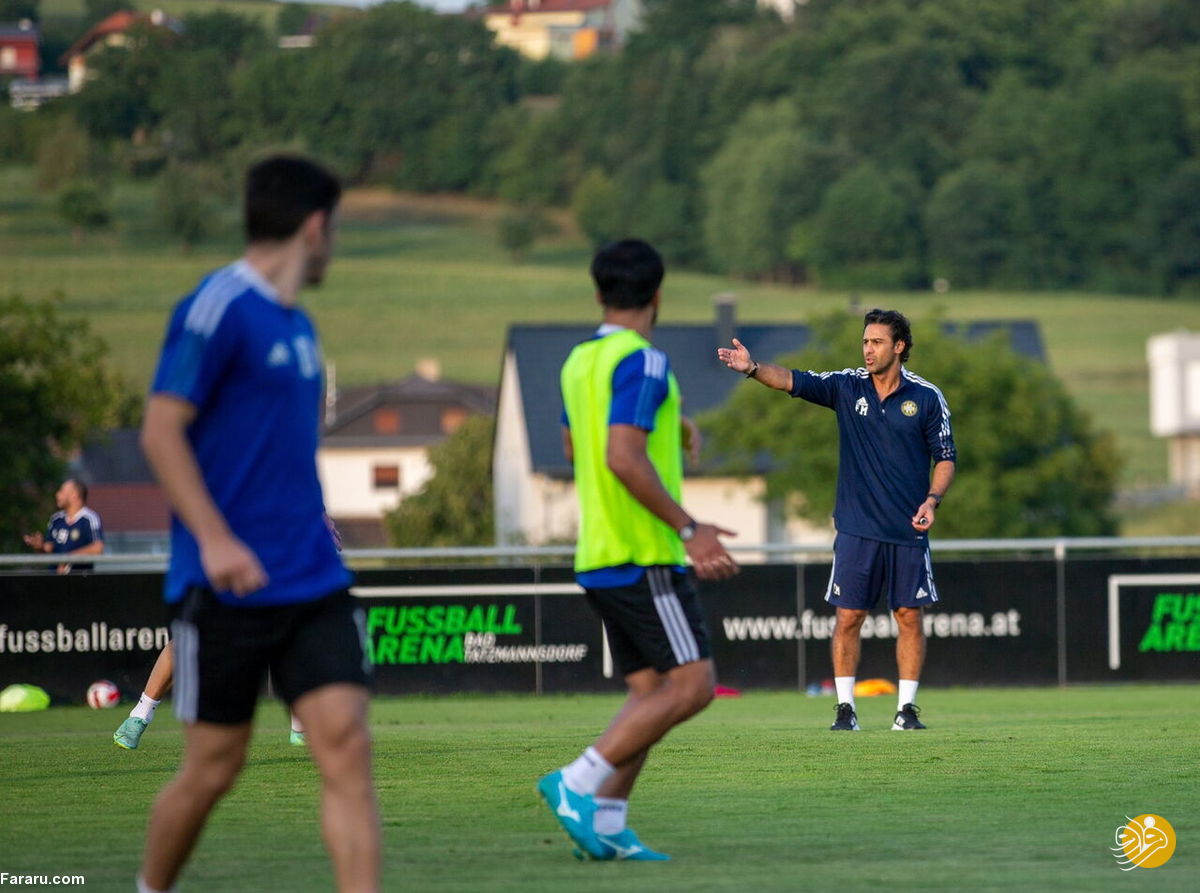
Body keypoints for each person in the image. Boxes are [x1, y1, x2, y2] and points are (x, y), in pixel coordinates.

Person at [135, 155, 379, 893]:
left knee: (346, 747)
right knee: (215, 766)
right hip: (226, 585)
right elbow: (160, 431)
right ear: (315, 225)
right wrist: (213, 537)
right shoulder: (217, 306)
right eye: (335, 226)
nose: (335, 241)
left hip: (310, 576)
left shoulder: (300, 328)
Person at [538, 238, 739, 862]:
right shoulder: (646, 362)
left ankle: (607, 825)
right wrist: (690, 528)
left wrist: (672, 430)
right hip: (643, 552)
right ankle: (575, 781)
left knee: (651, 692)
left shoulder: (578, 362)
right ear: (658, 296)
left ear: (598, 294)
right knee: (694, 685)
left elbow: (579, 449)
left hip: (597, 554)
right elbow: (621, 455)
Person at [718, 309, 955, 732]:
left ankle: (906, 710)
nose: (867, 349)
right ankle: (846, 709)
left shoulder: (927, 397)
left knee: (909, 617)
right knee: (848, 617)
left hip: (907, 530)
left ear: (899, 347)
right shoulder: (846, 386)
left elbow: (946, 459)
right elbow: (792, 380)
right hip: (856, 529)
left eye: (877, 342)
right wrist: (752, 369)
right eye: (865, 341)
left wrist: (932, 500)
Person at [115, 510, 344, 750]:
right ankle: (140, 715)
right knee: (190, 639)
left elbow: (296, 485)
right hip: (228, 549)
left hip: (276, 554)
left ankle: (301, 726)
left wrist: (321, 520)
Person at [23, 478, 104, 573]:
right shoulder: (56, 519)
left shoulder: (89, 519)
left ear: (74, 495)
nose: (57, 495)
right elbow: (49, 547)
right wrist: (40, 546)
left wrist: (69, 558)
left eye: (61, 491)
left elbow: (98, 549)